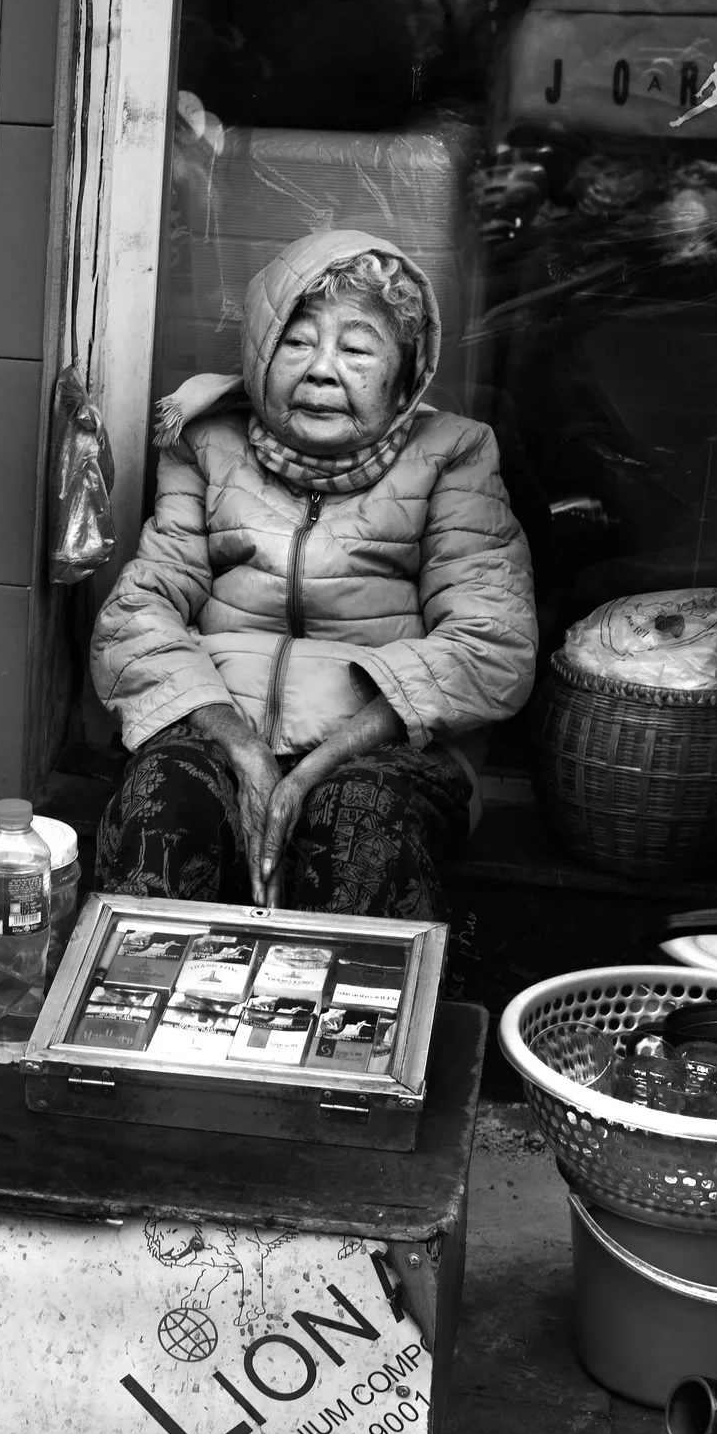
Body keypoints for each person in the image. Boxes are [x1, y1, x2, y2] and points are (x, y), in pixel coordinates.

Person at [90, 230, 537, 919]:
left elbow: (493, 642)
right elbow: (136, 614)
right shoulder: (208, 445)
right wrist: (240, 747)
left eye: (357, 349)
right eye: (297, 342)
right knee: (164, 801)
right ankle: (140, 1020)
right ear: (262, 354)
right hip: (220, 731)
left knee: (357, 819)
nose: (323, 370)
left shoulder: (453, 454)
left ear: (403, 377)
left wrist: (316, 768)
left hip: (380, 752)